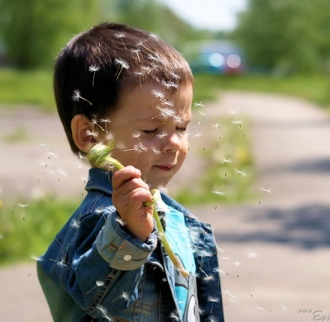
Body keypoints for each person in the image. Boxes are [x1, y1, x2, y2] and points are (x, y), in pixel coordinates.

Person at [37, 22, 225, 322]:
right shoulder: (100, 220)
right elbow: (102, 302)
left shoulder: (178, 221)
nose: (174, 143)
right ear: (90, 134)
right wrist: (128, 235)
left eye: (182, 127)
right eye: (152, 129)